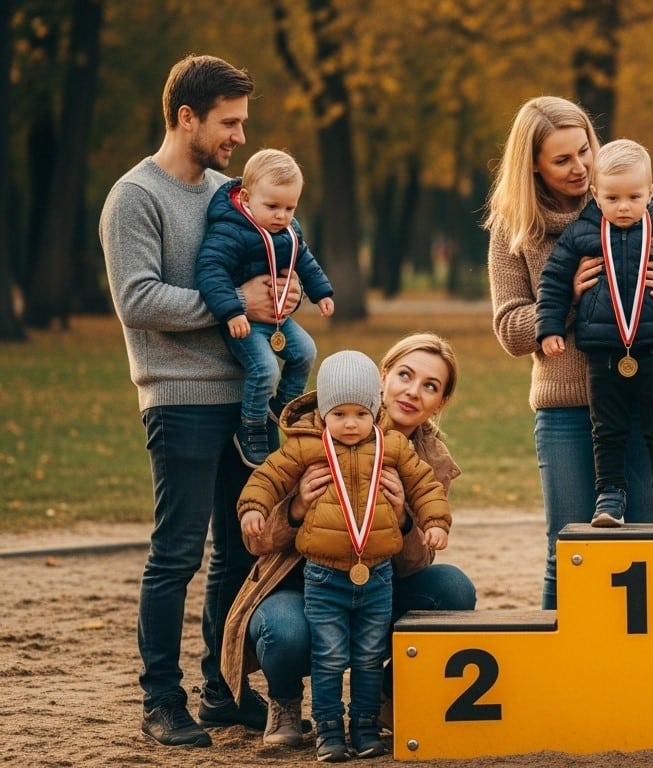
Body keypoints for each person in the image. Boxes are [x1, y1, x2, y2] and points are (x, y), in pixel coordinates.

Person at [99, 53, 306, 748]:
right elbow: (137, 300)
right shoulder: (135, 197)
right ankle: (161, 700)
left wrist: (280, 295)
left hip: (248, 399)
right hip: (179, 397)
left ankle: (224, 690)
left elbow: (265, 265)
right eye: (229, 122)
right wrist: (234, 304)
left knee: (239, 552)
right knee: (177, 554)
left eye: (243, 123)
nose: (241, 136)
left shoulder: (232, 194)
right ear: (186, 117)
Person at [486, 96, 653, 608]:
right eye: (562, 160)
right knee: (569, 551)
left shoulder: (637, 196)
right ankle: (560, 657)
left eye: (584, 150)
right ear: (532, 165)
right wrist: (567, 301)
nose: (580, 167)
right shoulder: (513, 227)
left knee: (647, 545)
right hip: (568, 408)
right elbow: (511, 330)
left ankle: (645, 658)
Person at [222, 332, 475, 748]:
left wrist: (405, 520)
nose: (413, 391)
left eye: (430, 386)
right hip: (307, 587)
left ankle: (386, 697)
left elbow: (418, 562)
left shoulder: (427, 459)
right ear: (382, 377)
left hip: (378, 583)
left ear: (441, 402)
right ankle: (285, 702)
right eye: (405, 375)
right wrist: (296, 508)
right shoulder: (313, 435)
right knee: (284, 630)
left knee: (452, 588)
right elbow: (257, 539)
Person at [536, 138, 653, 528]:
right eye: (612, 198)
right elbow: (552, 283)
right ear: (596, 195)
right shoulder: (581, 235)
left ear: (651, 193)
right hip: (601, 357)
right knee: (607, 430)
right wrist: (549, 327)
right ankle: (609, 497)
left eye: (634, 197)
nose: (623, 207)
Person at [197, 147, 336, 467]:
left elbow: (305, 260)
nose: (282, 216)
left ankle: (282, 405)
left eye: (290, 207)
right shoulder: (231, 230)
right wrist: (233, 310)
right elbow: (211, 270)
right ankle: (251, 426)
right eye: (272, 206)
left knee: (306, 352)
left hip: (277, 321)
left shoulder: (288, 230)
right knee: (265, 369)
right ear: (246, 198)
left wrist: (321, 292)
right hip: (243, 323)